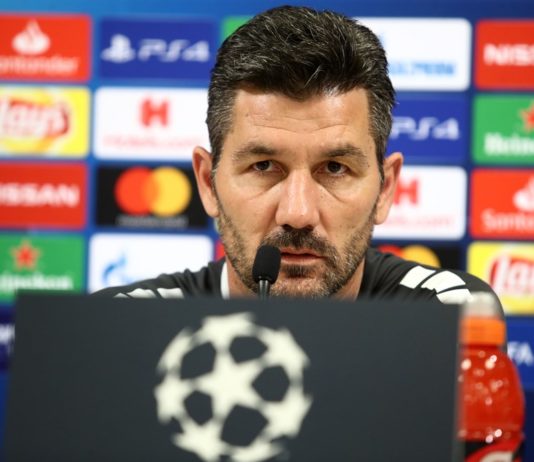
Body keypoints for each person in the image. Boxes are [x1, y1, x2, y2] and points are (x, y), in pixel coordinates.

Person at [94, 5, 502, 311]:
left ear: (386, 189)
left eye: (335, 168)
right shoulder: (122, 325)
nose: (298, 213)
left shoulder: (445, 315)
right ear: (207, 183)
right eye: (263, 167)